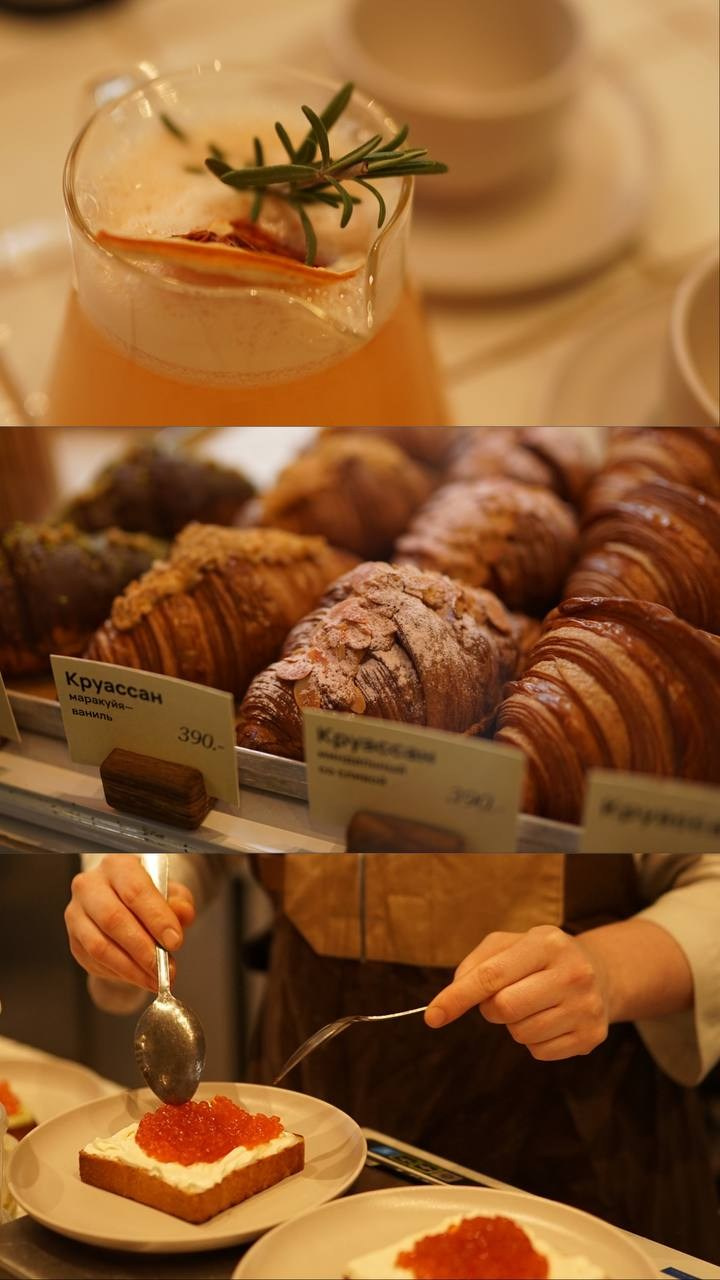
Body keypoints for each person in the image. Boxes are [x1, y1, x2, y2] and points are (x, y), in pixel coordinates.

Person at [65, 852, 720, 1260]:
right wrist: (142, 885)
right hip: (310, 1069)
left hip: (568, 1121)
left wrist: (607, 967)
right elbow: (199, 809)